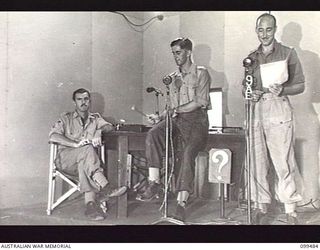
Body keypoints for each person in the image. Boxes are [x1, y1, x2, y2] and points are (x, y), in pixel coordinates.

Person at [137, 38, 211, 222]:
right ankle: (154, 182)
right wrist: (160, 117)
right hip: (176, 120)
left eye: (178, 52)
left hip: (196, 122)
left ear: (188, 52)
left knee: (187, 154)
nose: (175, 57)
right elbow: (171, 105)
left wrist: (173, 111)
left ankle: (181, 203)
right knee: (154, 133)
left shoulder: (201, 74)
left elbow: (200, 102)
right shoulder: (172, 78)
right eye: (173, 53)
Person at [244, 13, 305, 225]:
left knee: (283, 162)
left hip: (279, 108)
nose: (264, 34)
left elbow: (300, 85)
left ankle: (290, 210)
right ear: (256, 31)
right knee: (257, 161)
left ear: (275, 29)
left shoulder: (288, 53)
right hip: (257, 110)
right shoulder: (251, 57)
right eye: (260, 30)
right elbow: (246, 85)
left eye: (268, 30)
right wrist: (250, 93)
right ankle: (261, 206)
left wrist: (283, 89)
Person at [49, 88, 127, 221]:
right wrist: (75, 145)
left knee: (84, 162)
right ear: (74, 102)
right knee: (87, 149)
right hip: (66, 160)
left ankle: (90, 206)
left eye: (86, 99)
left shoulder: (95, 118)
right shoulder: (66, 118)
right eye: (79, 99)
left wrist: (99, 132)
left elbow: (109, 127)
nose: (83, 102)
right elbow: (53, 136)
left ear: (89, 101)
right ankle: (106, 187)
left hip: (85, 163)